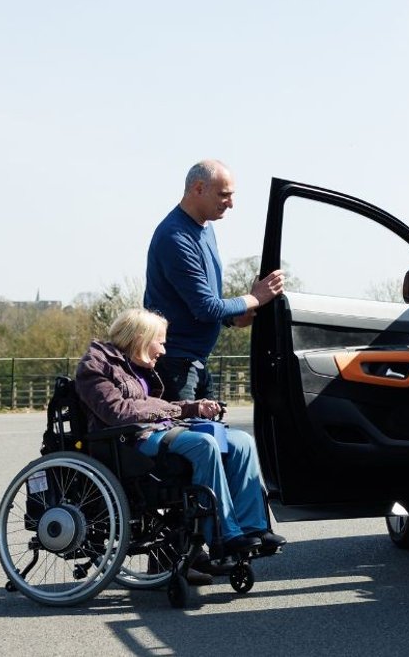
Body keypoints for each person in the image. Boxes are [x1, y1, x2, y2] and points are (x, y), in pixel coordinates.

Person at [74, 308, 286, 583]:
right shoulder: (96, 365)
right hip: (129, 443)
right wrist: (174, 412)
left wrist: (194, 408)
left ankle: (253, 528)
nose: (163, 349)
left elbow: (155, 408)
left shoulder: (137, 367)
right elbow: (119, 412)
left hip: (159, 432)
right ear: (141, 337)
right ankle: (224, 534)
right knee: (204, 445)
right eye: (160, 341)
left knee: (241, 441)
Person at [145, 159, 285, 401]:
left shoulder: (205, 228)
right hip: (175, 364)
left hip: (195, 361)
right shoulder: (175, 237)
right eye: (224, 195)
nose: (231, 204)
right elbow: (206, 307)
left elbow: (200, 303)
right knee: (189, 438)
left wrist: (232, 318)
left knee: (211, 432)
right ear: (199, 189)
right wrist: (255, 298)